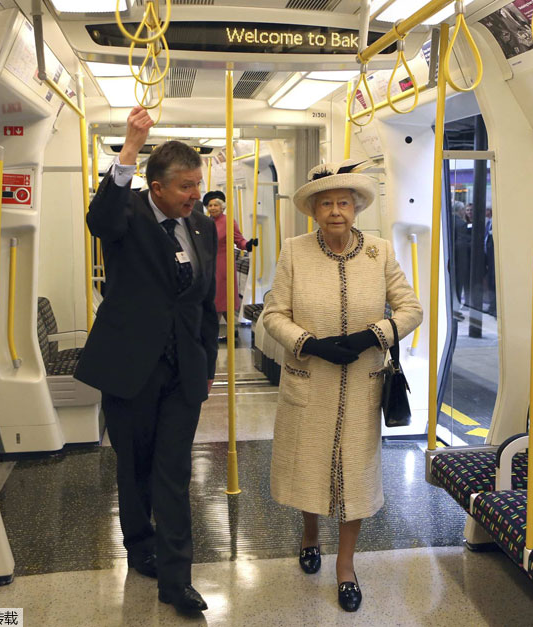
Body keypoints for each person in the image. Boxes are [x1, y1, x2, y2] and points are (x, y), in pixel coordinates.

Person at [74, 106, 218, 615]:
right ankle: (140, 546)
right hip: (130, 367)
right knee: (134, 467)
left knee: (173, 473)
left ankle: (177, 581)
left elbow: (204, 302)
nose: (195, 194)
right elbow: (100, 218)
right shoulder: (128, 215)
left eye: (197, 184)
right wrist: (130, 149)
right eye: (185, 186)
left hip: (183, 372)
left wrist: (207, 364)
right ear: (156, 186)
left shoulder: (201, 226)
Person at [261, 159, 423, 612]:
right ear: (314, 210)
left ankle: (346, 566)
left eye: (344, 203)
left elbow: (411, 309)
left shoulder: (380, 251)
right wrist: (309, 343)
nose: (337, 211)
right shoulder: (294, 251)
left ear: (356, 209)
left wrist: (374, 334)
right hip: (310, 380)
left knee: (355, 476)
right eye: (328, 203)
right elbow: (273, 315)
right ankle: (310, 533)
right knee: (309, 468)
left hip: (362, 385)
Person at [201, 190, 257, 340]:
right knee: (220, 299)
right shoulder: (206, 221)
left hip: (223, 264)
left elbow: (239, 240)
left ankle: (211, 333)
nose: (212, 208)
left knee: (219, 298)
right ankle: (232, 331)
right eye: (210, 205)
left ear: (222, 207)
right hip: (209, 263)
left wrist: (248, 245)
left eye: (215, 205)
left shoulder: (228, 221)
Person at [452, 201, 471, 307]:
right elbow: (461, 243)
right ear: (460, 210)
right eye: (464, 209)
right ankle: (456, 309)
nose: (465, 212)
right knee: (458, 286)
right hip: (459, 260)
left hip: (450, 259)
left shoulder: (448, 220)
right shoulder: (461, 223)